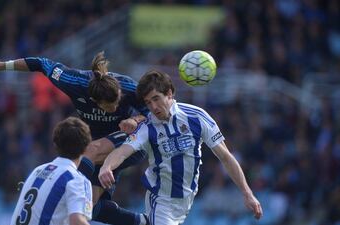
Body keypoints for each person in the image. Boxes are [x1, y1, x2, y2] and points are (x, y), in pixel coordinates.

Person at [0, 52, 149, 225]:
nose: (115, 108)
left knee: (90, 152)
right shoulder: (73, 81)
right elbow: (41, 63)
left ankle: (56, 188)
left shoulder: (130, 88)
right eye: (109, 106)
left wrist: (135, 119)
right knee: (89, 208)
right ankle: (143, 222)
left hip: (132, 142)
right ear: (94, 101)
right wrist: (2, 66)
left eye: (117, 101)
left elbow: (154, 114)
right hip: (99, 152)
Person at [99, 70, 263, 225]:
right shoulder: (147, 127)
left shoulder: (197, 117)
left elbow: (226, 157)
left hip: (187, 199)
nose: (153, 107)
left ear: (169, 93)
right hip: (161, 199)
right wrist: (107, 166)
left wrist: (247, 193)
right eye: (148, 102)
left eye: (156, 99)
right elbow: (122, 152)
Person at [11, 116, 93, 225]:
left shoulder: (37, 171)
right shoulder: (76, 180)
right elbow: (76, 220)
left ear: (55, 144)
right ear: (86, 148)